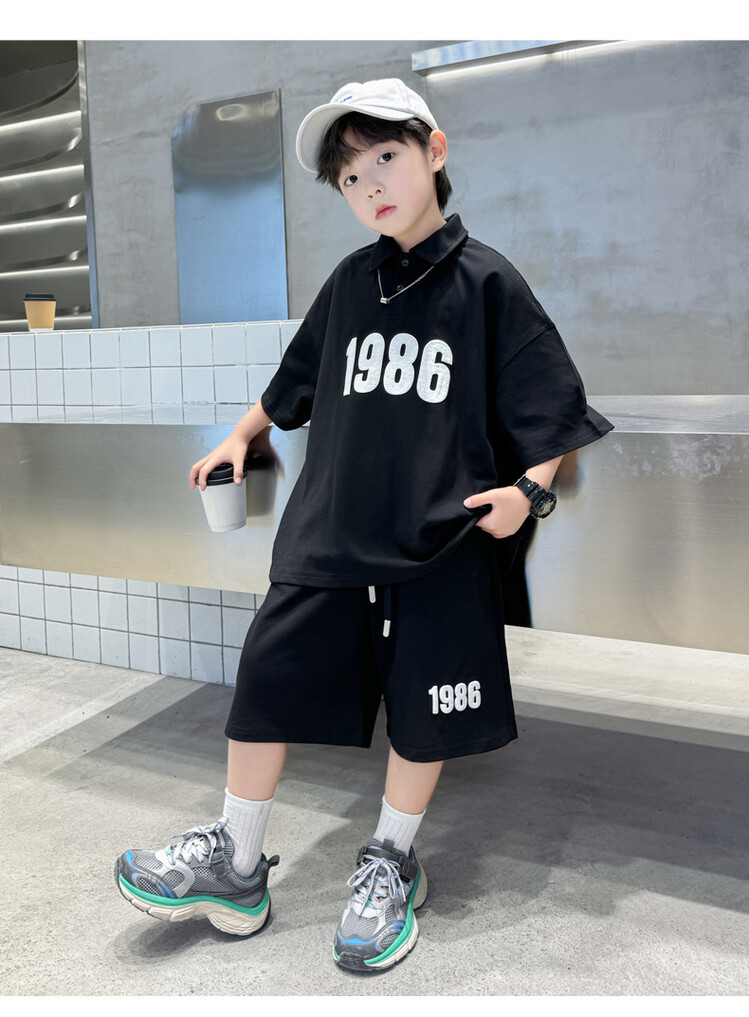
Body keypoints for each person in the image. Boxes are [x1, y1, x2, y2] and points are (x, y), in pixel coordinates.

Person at [114, 78, 613, 973]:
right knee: (266, 681)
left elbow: (552, 406)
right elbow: (294, 381)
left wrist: (528, 494)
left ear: (434, 150)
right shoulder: (351, 282)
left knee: (422, 715)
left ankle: (390, 858)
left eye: (384, 157)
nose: (368, 184)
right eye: (348, 177)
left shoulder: (488, 281)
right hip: (330, 535)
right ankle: (235, 862)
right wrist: (237, 435)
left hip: (438, 542)